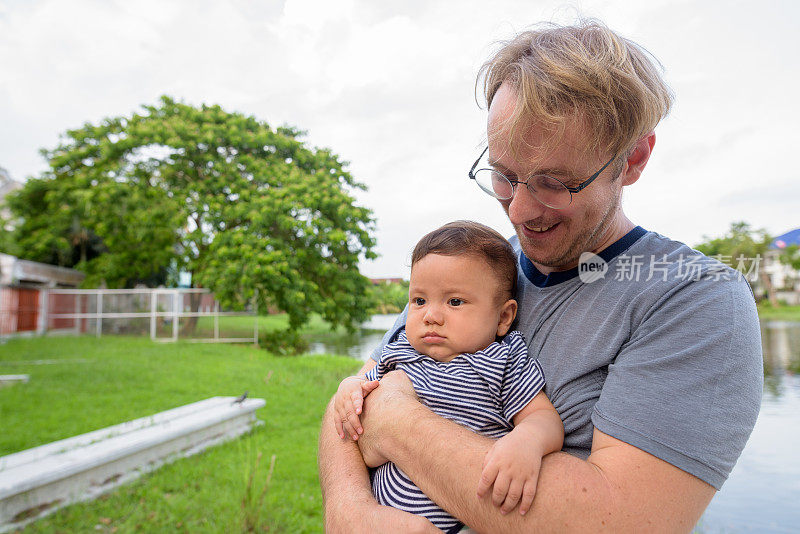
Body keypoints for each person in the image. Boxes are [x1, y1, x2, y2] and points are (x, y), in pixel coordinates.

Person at [318, 19, 762, 532]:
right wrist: (346, 507)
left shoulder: (696, 299)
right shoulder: (474, 272)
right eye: (504, 176)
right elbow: (353, 397)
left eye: (555, 182)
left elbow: (621, 522)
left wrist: (397, 425)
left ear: (633, 159)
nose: (520, 210)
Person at [333, 221, 564, 532]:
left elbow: (543, 418)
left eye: (455, 302)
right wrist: (349, 388)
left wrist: (527, 441)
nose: (431, 315)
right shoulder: (400, 349)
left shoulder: (502, 361)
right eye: (419, 301)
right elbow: (362, 385)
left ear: (503, 317)